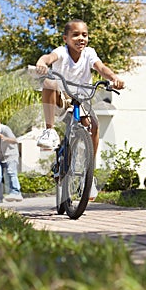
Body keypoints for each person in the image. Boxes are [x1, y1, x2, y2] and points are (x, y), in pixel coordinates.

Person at [35, 19, 125, 199]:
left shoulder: (89, 53)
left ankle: (88, 175)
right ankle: (50, 130)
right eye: (75, 35)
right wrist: (42, 63)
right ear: (65, 38)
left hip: (82, 98)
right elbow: (48, 58)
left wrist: (114, 77)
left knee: (94, 127)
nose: (80, 38)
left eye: (84, 35)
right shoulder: (61, 52)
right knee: (49, 82)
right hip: (62, 97)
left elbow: (101, 68)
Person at [0, 114, 23, 204]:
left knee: (11, 172)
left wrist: (6, 138)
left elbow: (15, 140)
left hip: (10, 154)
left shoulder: (5, 129)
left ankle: (16, 192)